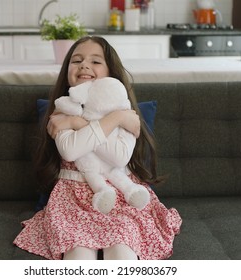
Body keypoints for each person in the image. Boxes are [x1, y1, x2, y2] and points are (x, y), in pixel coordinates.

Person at [13, 36, 182, 260]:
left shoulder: (125, 112)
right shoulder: (63, 110)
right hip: (72, 199)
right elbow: (71, 151)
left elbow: (118, 158)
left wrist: (81, 123)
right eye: (77, 60)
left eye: (95, 61)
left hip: (120, 195)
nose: (85, 65)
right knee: (78, 255)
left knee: (123, 249)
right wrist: (112, 120)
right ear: (67, 72)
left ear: (111, 73)